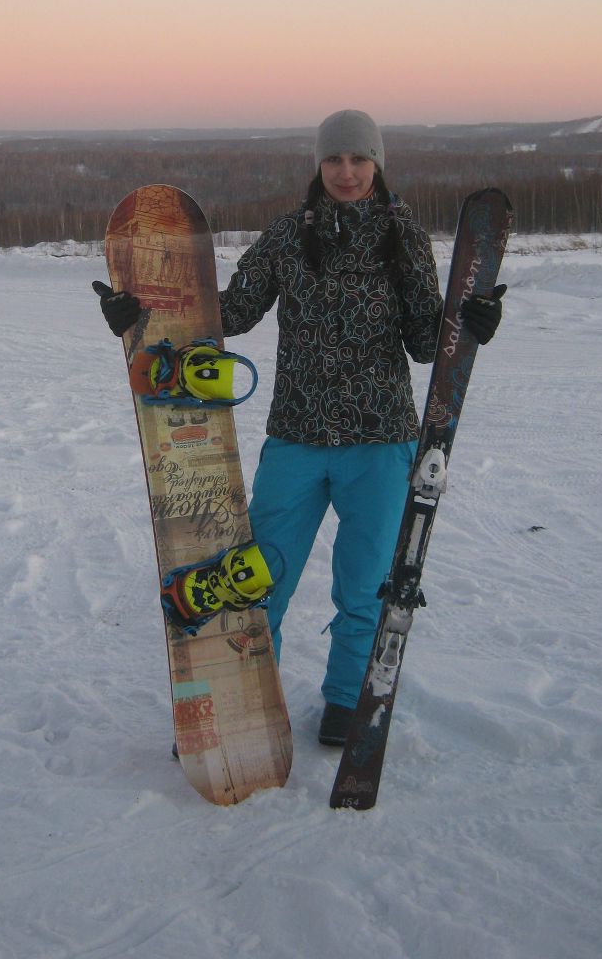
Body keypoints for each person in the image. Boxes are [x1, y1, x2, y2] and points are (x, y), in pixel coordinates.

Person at [96, 110, 504, 746]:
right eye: (335, 160)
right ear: (319, 165)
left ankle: (345, 702)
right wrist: (138, 314)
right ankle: (245, 700)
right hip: (297, 441)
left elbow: (427, 344)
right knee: (259, 579)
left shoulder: (404, 238)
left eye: (359, 160)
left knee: (366, 586)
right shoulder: (289, 236)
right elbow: (225, 313)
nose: (347, 172)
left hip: (380, 444)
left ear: (377, 164)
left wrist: (469, 324)